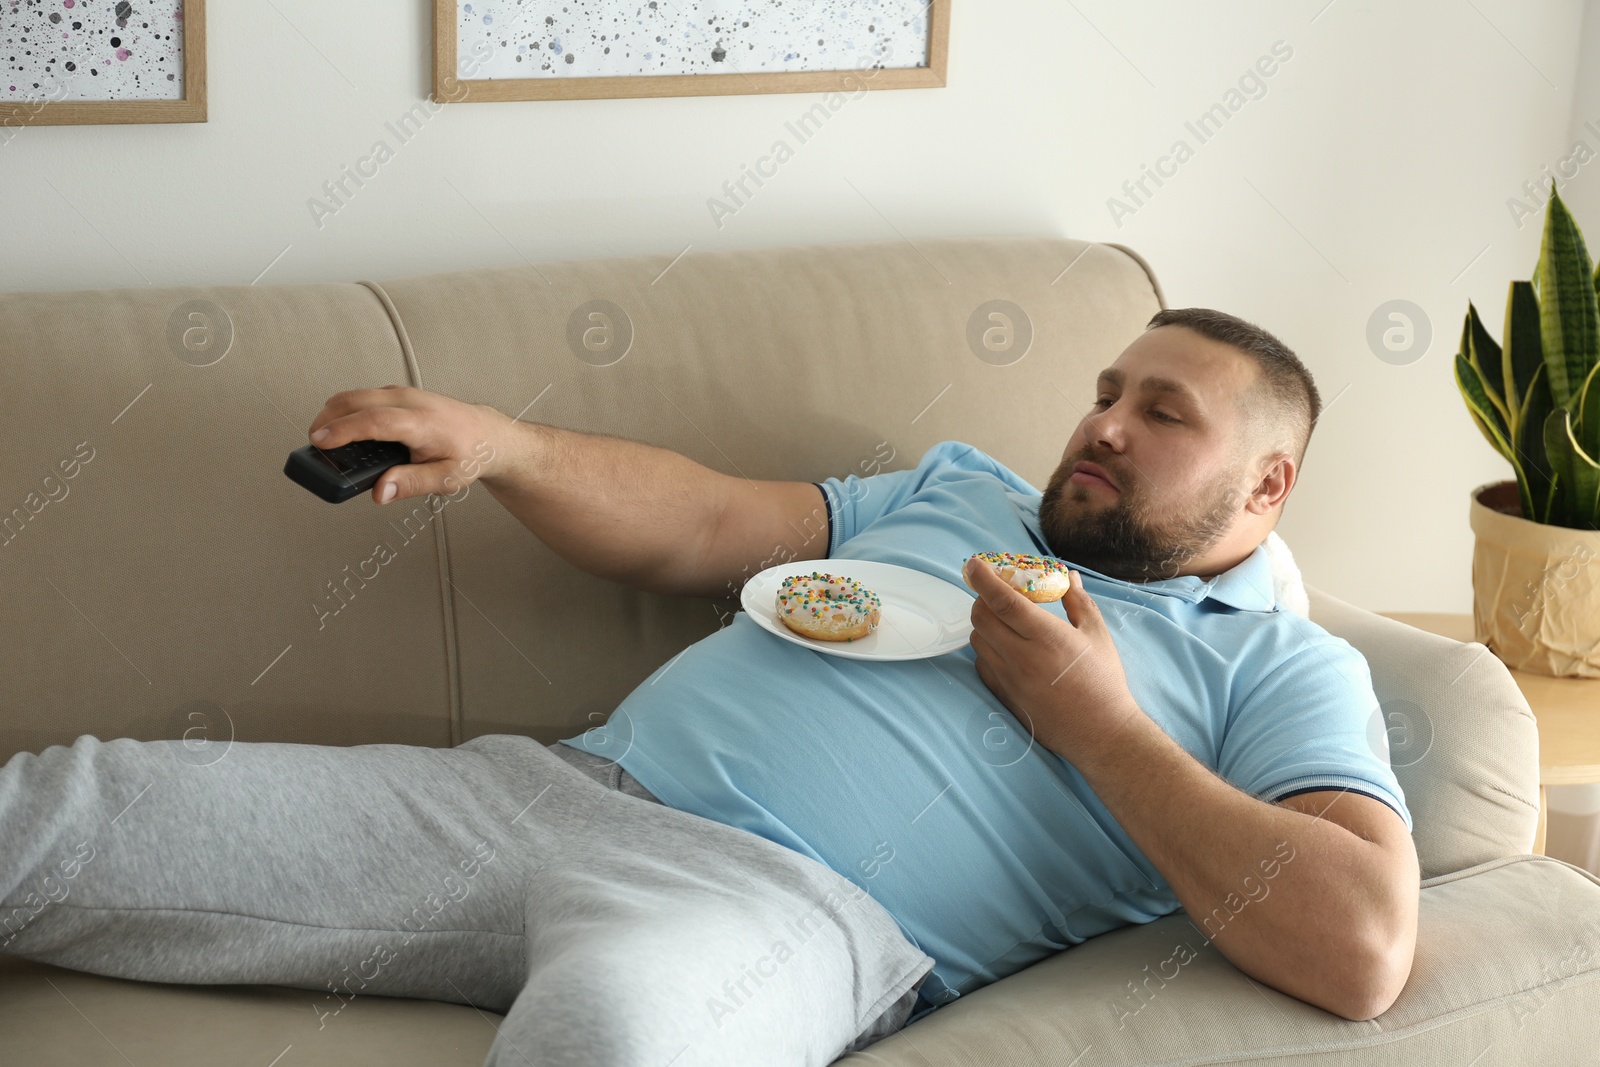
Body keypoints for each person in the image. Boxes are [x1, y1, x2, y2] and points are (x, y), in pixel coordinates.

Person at [0, 308, 1419, 1065]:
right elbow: (695, 524)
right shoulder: (955, 491)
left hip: (785, 913)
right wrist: (503, 445)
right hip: (537, 794)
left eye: (1163, 414)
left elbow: (1361, 950)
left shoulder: (1278, 664)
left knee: (620, 1045)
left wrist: (1094, 723)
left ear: (1270, 482)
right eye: (1109, 388)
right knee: (69, 810)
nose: (1102, 422)